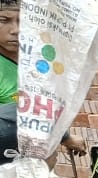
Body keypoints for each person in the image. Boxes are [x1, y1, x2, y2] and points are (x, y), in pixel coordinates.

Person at [0, 0, 85, 159]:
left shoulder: (38, 60)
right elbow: (22, 111)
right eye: (4, 21)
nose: (16, 30)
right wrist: (64, 137)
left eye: (22, 21)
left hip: (37, 161)